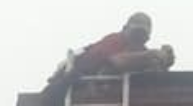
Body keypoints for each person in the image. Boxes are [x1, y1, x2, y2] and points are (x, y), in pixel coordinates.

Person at [44, 12, 176, 96]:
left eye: (141, 37)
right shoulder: (115, 40)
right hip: (71, 84)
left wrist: (164, 61)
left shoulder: (141, 51)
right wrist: (152, 54)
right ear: (125, 29)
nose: (136, 41)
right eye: (135, 34)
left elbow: (148, 70)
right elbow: (116, 61)